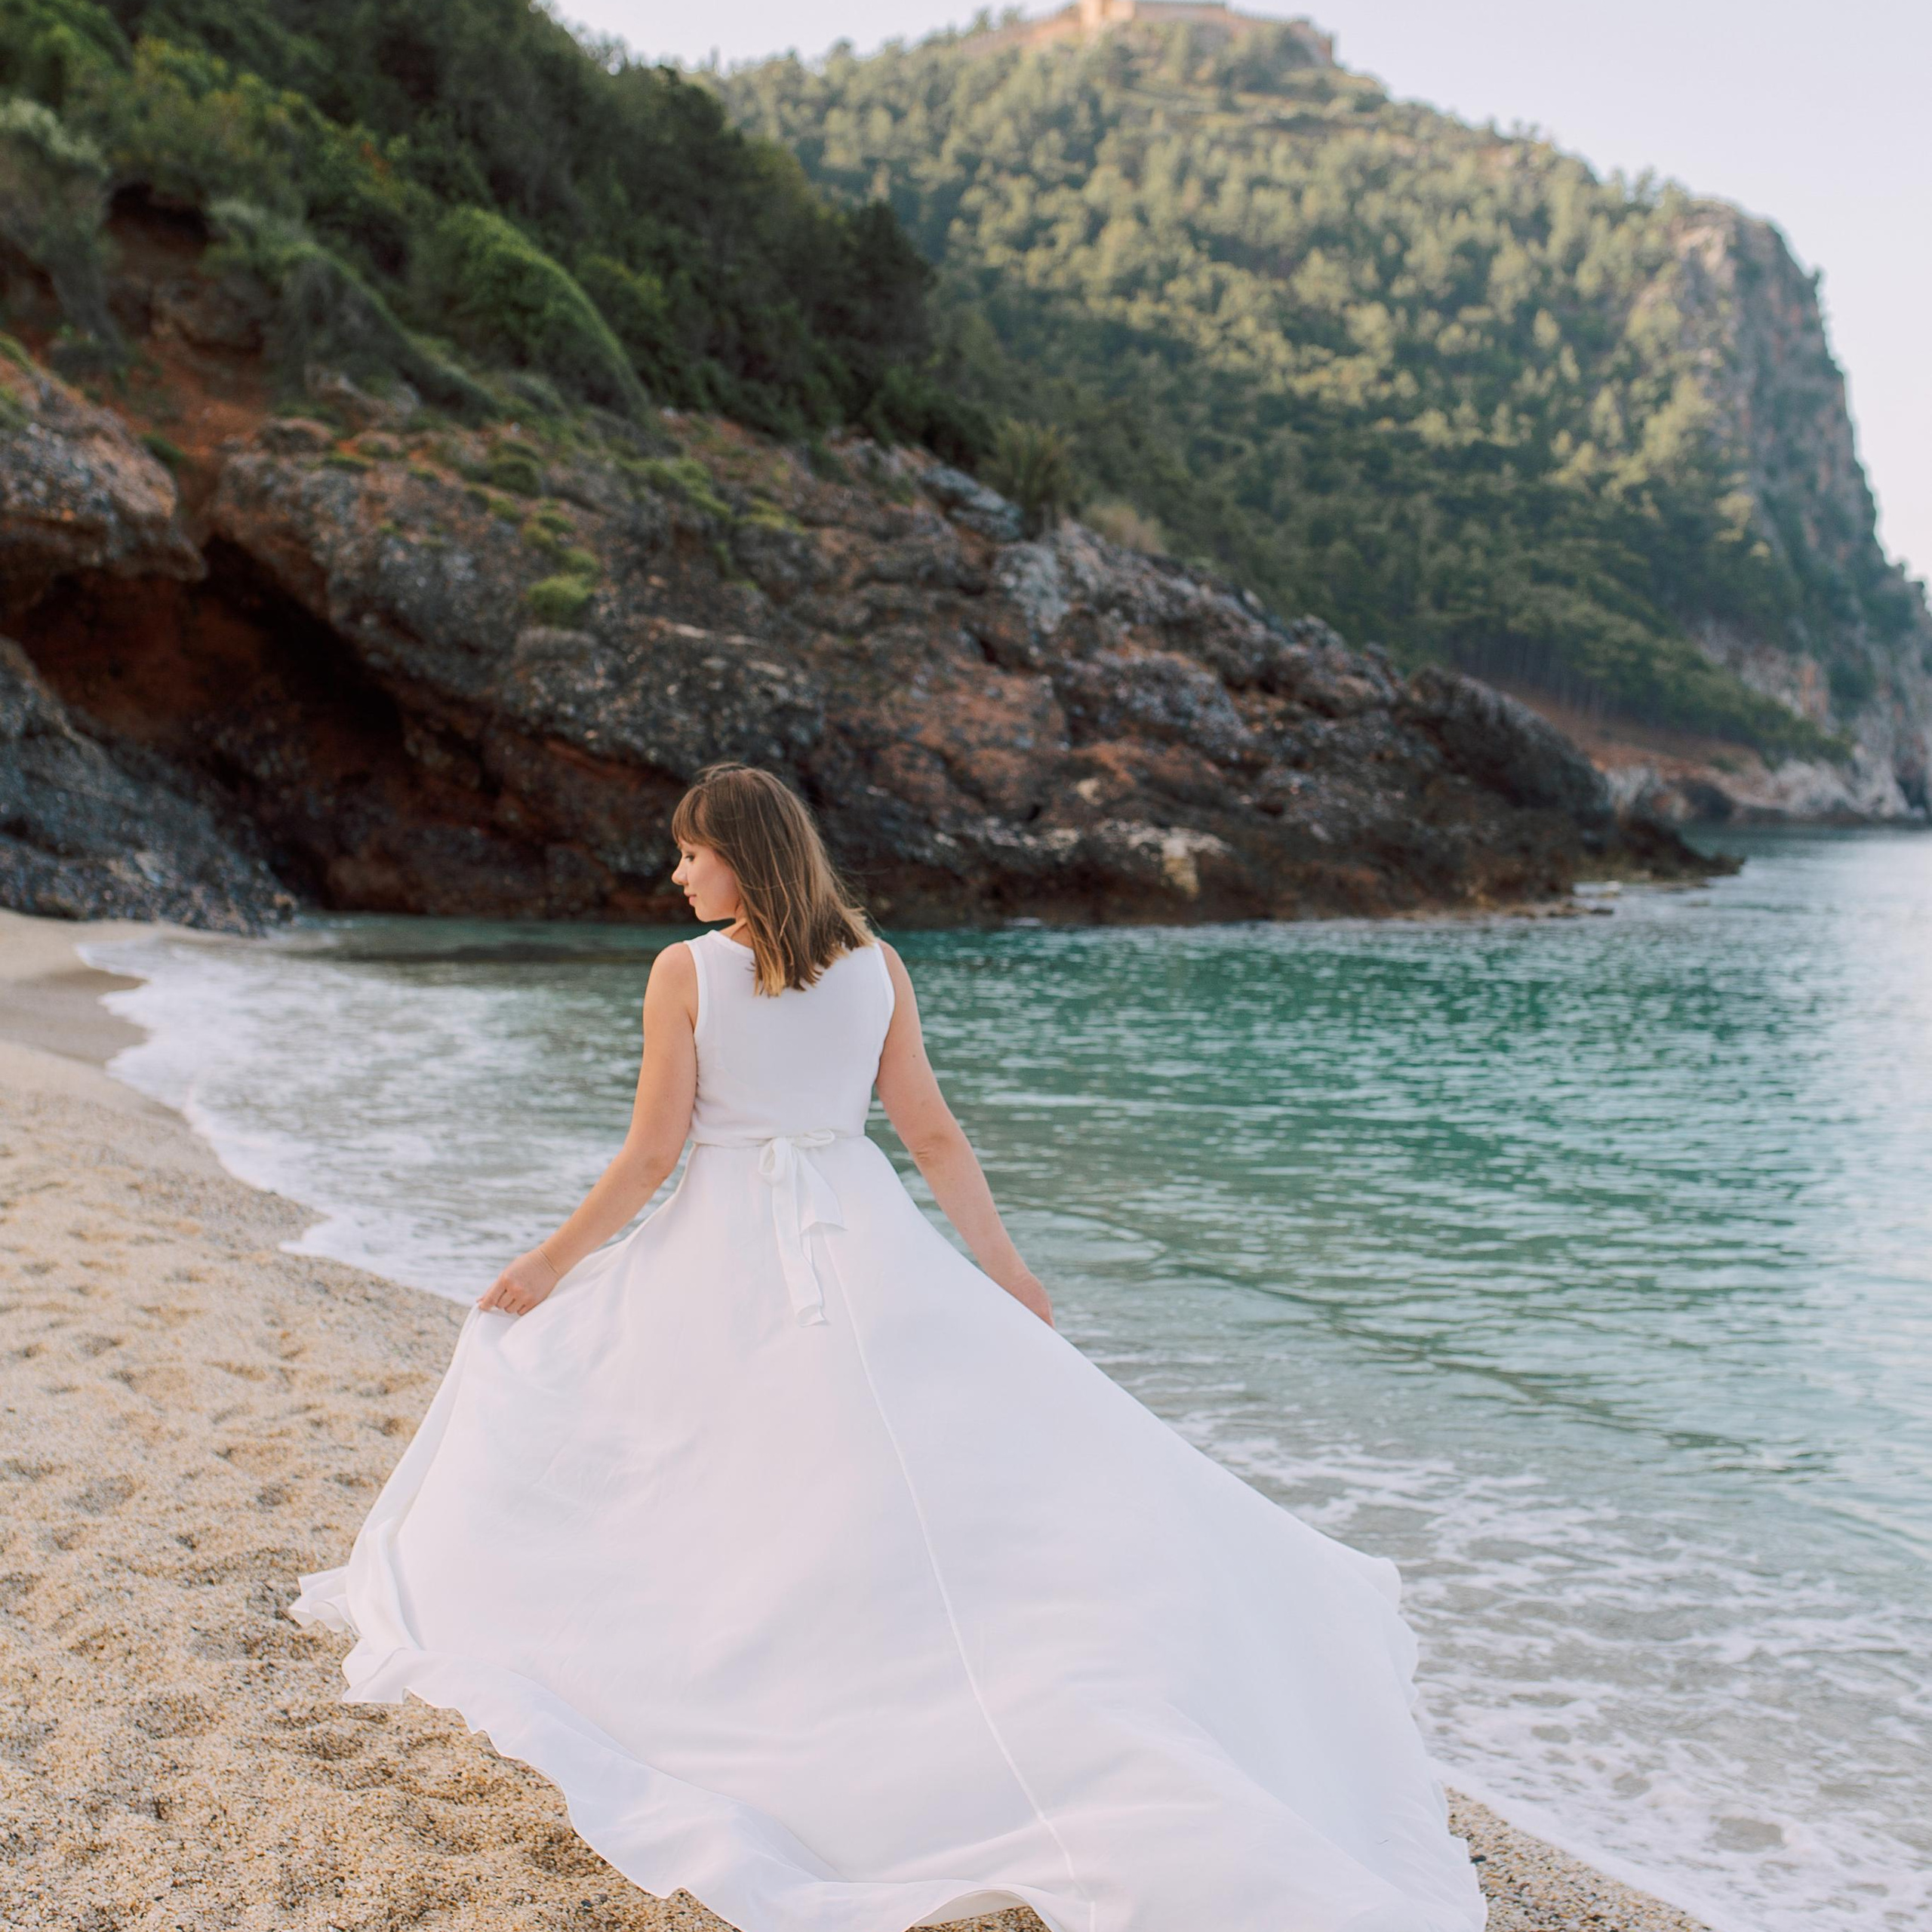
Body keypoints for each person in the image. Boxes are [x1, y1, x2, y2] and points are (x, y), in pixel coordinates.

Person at [292, 762, 1487, 1932]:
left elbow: (654, 1155)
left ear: (744, 857)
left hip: (729, 1246)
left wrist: (552, 1262)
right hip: (866, 1233)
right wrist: (1000, 1268)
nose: (675, 873)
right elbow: (931, 1134)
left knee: (690, 1446)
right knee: (878, 1463)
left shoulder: (688, 973)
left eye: (693, 851)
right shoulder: (877, 966)